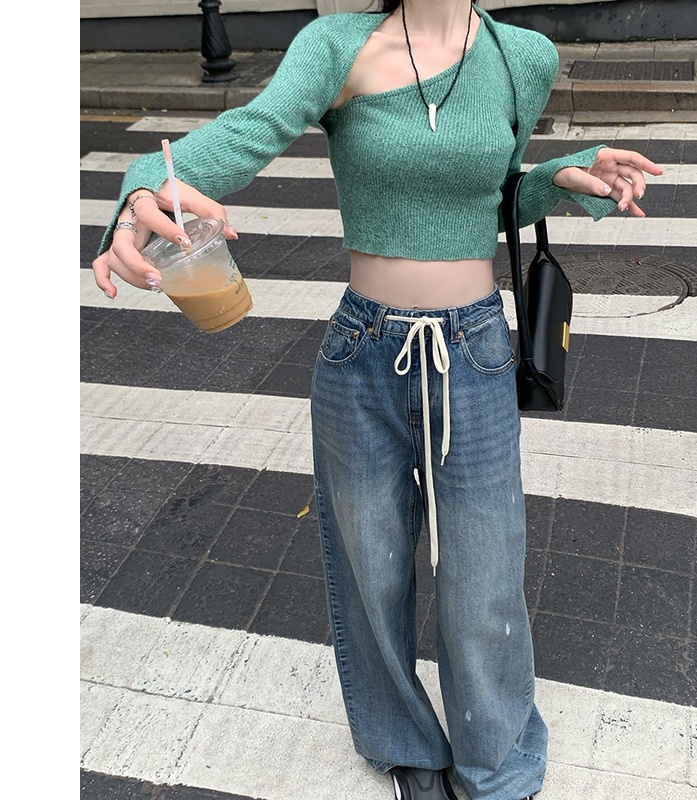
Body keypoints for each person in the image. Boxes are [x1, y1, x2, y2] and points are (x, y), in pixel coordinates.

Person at [91, 2, 662, 798]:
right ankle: (404, 744)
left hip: (474, 350)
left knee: (485, 575)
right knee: (371, 568)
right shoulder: (337, 44)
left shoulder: (524, 56)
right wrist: (140, 191)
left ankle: (498, 764)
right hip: (362, 350)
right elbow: (246, 132)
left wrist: (558, 178)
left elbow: (490, 195)